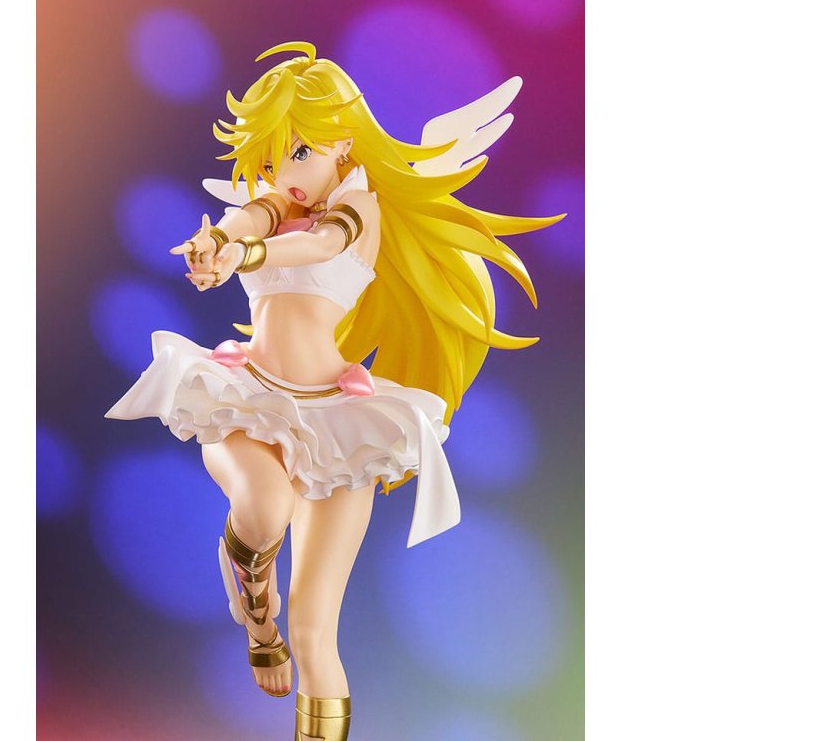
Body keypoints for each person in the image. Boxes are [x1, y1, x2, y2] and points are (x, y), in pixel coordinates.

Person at [106, 40, 562, 741]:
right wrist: (216, 245)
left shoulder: (360, 209)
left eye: (300, 152)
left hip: (339, 422)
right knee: (265, 504)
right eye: (270, 160)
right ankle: (255, 612)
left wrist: (245, 253)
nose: (283, 175)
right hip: (246, 395)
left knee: (317, 633)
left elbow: (321, 244)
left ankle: (280, 638)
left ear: (344, 141)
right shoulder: (269, 204)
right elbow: (246, 219)